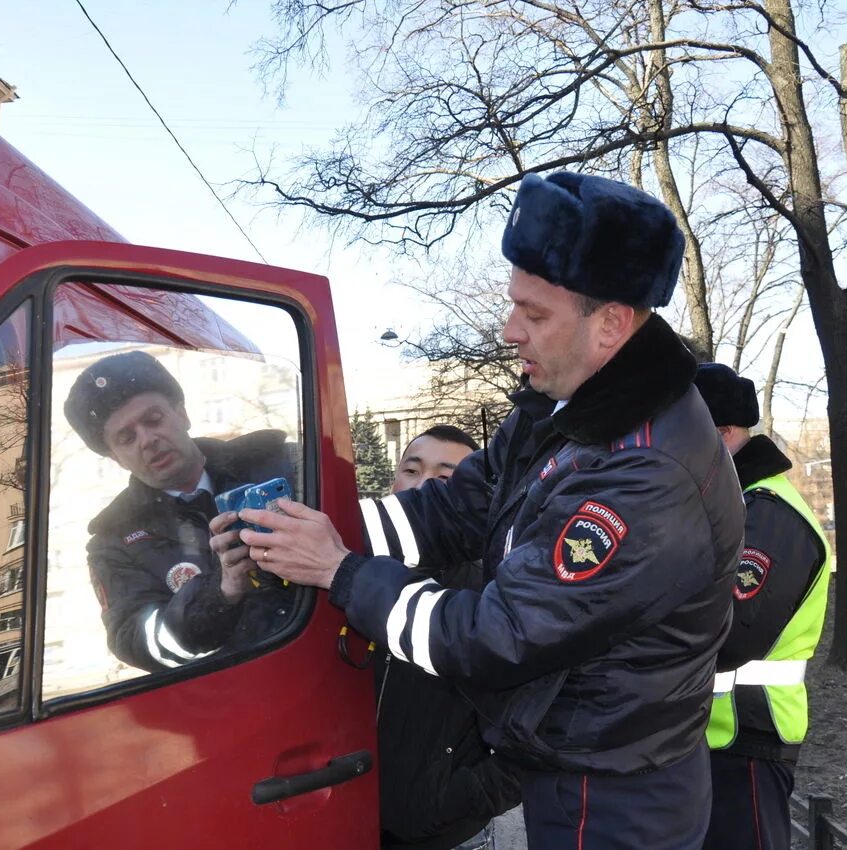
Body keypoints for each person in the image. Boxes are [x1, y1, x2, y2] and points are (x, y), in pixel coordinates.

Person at [221, 172, 745, 849]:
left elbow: (499, 637)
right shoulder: (567, 405)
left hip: (614, 794)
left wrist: (341, 571)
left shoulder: (645, 474)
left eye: (535, 314)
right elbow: (459, 508)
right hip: (568, 755)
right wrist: (308, 521)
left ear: (611, 323)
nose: (509, 331)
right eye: (513, 305)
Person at [63, 349, 294, 672]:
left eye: (153, 419)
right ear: (115, 457)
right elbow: (136, 642)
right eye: (126, 437)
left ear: (181, 413)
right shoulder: (113, 543)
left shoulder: (281, 463)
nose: (148, 440)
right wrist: (220, 594)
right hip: (235, 700)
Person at [692, 363, 832, 850]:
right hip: (710, 735)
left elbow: (735, 632)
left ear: (725, 433)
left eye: (686, 434)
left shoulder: (770, 515)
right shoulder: (733, 505)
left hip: (746, 737)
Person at [377, 425, 521, 850]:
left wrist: (462, 799)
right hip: (345, 814)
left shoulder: (496, 589)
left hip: (445, 831)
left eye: (445, 477)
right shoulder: (348, 570)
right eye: (412, 469)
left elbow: (539, 724)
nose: (422, 486)